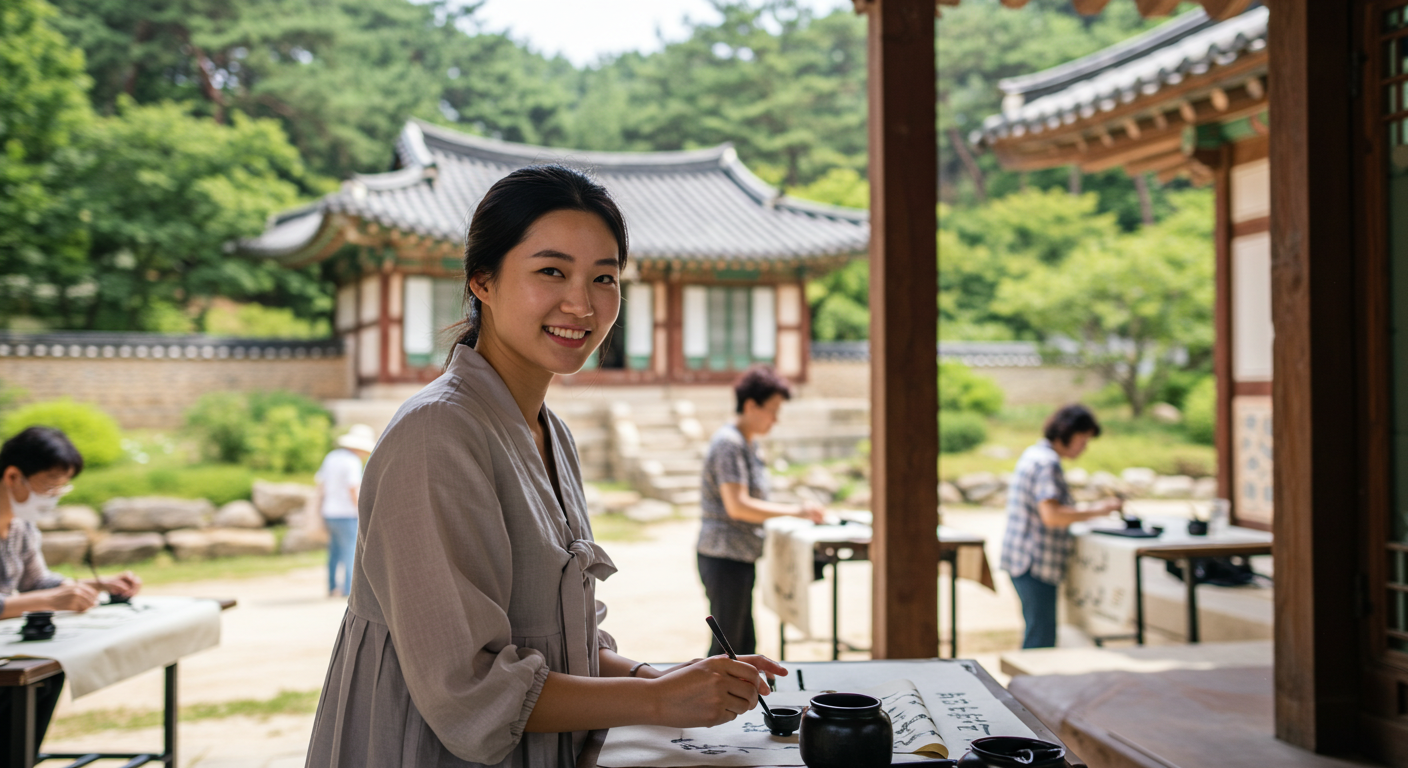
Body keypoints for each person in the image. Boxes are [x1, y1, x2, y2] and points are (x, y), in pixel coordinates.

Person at [306, 165, 785, 768]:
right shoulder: (437, 435)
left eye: (604, 277)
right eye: (551, 271)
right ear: (483, 281)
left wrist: (662, 675)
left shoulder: (548, 431)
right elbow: (470, 687)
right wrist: (657, 699)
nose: (581, 303)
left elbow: (558, 644)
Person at [0, 426, 141, 759]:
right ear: (13, 476)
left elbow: (37, 582)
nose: (55, 495)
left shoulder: (21, 526)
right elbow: (40, 596)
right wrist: (50, 600)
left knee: (48, 676)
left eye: (62, 486)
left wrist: (98, 585)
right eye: (50, 484)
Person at [696, 366, 825, 658]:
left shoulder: (747, 444)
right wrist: (796, 512)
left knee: (741, 644)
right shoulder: (729, 444)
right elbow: (737, 505)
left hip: (738, 555)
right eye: (773, 410)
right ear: (751, 405)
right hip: (724, 555)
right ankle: (708, 701)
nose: (776, 419)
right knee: (728, 647)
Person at [999, 404, 1122, 649]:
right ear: (1069, 433)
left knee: (1038, 632)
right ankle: (1029, 688)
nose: (1084, 447)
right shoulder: (1047, 463)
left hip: (1023, 559)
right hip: (1035, 562)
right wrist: (1099, 510)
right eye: (1083, 439)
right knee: (1041, 639)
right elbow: (1052, 515)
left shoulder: (1034, 454)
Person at [315, 424, 375, 598]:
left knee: (334, 551)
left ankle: (332, 586)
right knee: (351, 552)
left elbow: (321, 484)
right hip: (347, 514)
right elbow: (353, 489)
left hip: (329, 512)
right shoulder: (352, 462)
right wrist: (362, 511)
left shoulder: (331, 457)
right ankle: (349, 590)